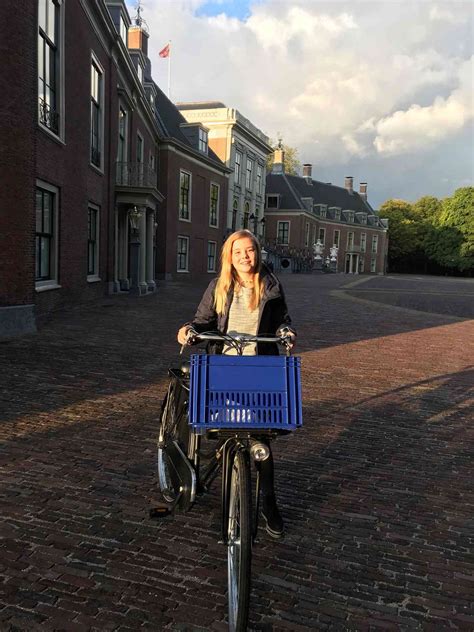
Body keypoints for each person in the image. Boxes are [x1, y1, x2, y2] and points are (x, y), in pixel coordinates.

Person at [177, 229, 296, 538]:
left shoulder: (270, 285)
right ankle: (229, 498)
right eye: (239, 251)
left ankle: (269, 503)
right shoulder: (218, 286)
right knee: (225, 433)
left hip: (260, 370)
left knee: (262, 442)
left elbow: (283, 319)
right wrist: (189, 330)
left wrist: (286, 332)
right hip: (224, 368)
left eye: (251, 251)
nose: (245, 256)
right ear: (229, 256)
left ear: (258, 254)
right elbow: (202, 321)